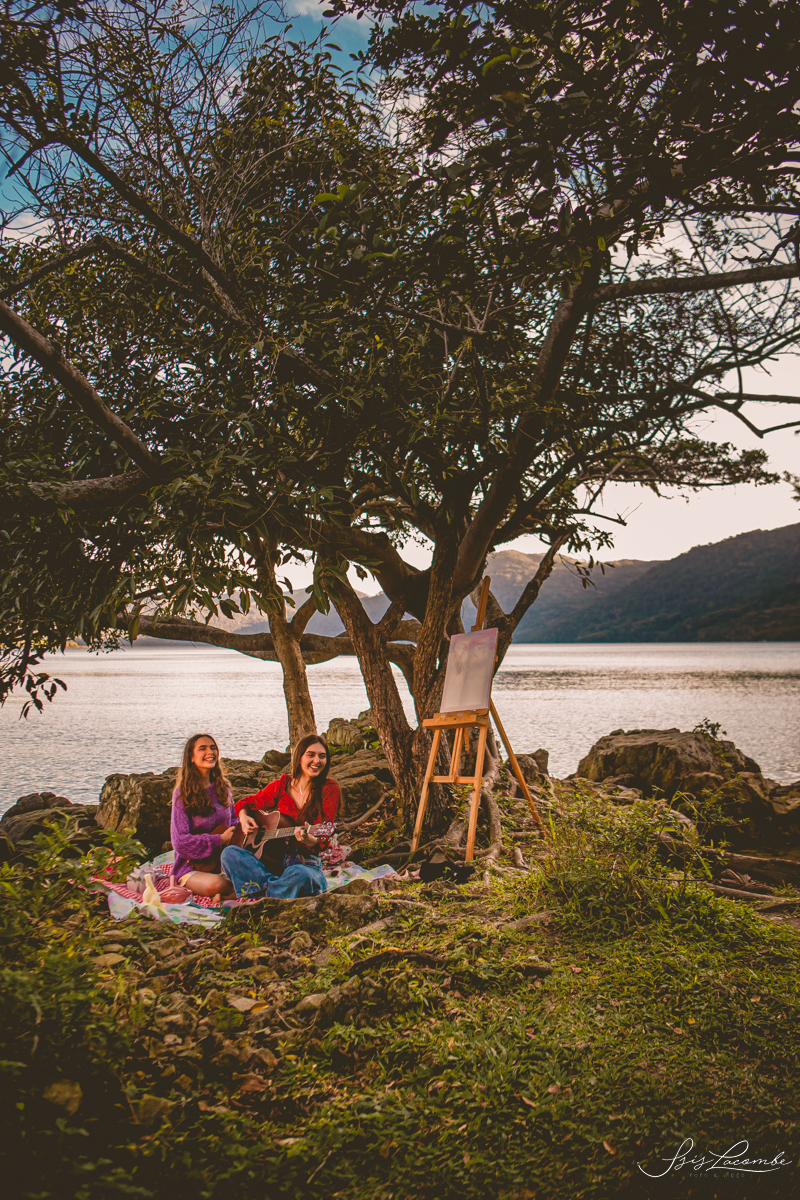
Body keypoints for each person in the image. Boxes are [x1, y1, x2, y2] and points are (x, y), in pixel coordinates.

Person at [220, 734, 340, 899]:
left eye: (322, 756)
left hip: (303, 863)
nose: (317, 761)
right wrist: (243, 817)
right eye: (311, 755)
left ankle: (261, 892)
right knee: (229, 854)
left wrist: (309, 840)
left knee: (300, 875)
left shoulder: (329, 789)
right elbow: (245, 803)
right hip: (269, 861)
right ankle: (279, 890)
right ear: (299, 757)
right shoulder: (281, 786)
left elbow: (323, 842)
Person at [170, 733, 237, 900]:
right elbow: (180, 842)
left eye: (213, 748)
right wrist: (219, 839)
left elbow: (233, 820)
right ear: (191, 757)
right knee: (218, 885)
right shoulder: (182, 794)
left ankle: (228, 895)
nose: (210, 752)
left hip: (223, 862)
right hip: (192, 866)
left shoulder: (223, 788)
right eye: (203, 748)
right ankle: (230, 892)